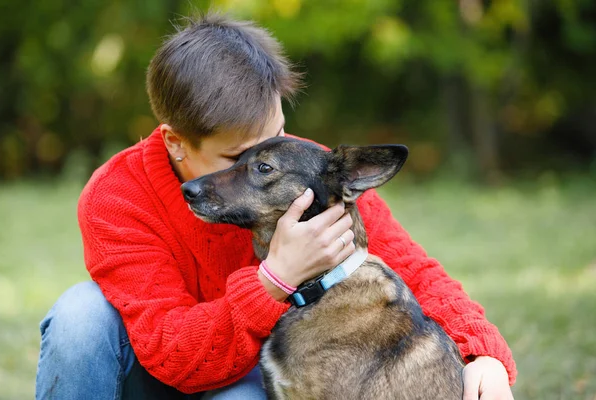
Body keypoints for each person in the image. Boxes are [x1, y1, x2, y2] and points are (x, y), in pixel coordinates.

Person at [35, 12, 516, 400]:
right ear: (176, 143)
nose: (268, 157)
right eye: (238, 157)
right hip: (155, 372)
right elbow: (171, 353)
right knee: (79, 314)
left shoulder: (301, 171)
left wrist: (482, 353)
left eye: (276, 138)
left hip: (244, 377)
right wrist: (273, 281)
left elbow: (410, 268)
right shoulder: (117, 198)